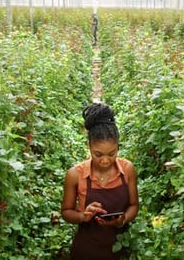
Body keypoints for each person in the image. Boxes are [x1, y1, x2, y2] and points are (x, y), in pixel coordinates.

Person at [61, 102, 139, 260]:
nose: (105, 161)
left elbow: (134, 205)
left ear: (118, 146)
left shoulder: (127, 170)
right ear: (89, 146)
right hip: (86, 250)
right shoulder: (75, 174)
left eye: (111, 154)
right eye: (98, 154)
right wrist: (82, 216)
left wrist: (123, 220)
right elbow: (66, 212)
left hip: (119, 248)